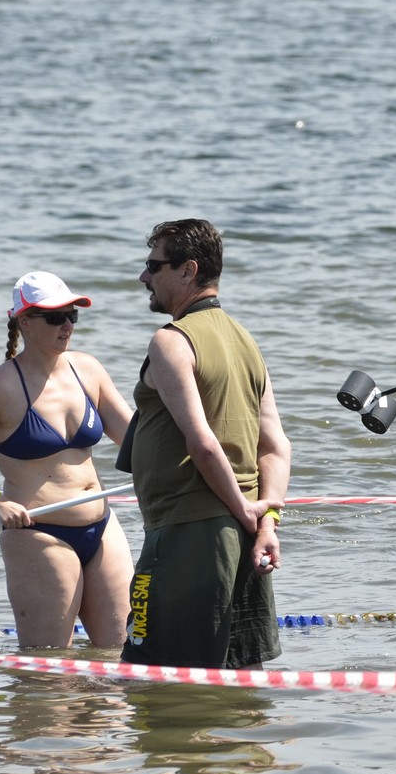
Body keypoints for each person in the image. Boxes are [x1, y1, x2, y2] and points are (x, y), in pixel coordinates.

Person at [0, 272, 134, 649]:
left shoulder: (88, 369)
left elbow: (136, 440)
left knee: (119, 655)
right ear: (24, 321)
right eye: (55, 317)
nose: (67, 325)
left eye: (72, 315)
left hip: (103, 528)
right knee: (47, 672)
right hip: (39, 535)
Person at [123, 219, 291, 669]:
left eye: (153, 265)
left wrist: (245, 512)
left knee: (152, 677)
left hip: (188, 533)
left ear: (188, 270)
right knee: (240, 676)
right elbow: (276, 446)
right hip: (245, 534)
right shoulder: (245, 340)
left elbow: (202, 443)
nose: (143, 277)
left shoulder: (172, 341)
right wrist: (265, 523)